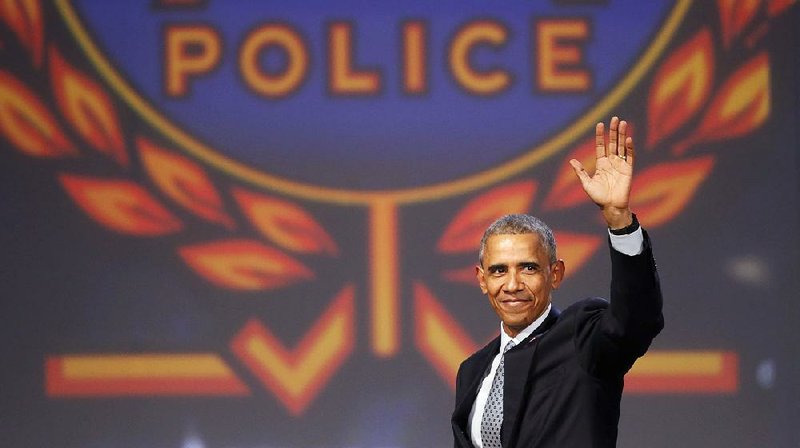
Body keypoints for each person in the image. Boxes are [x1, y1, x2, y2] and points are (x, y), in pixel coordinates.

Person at [451, 117, 664, 448]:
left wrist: (619, 221)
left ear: (556, 274)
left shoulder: (582, 338)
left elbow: (636, 320)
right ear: (481, 279)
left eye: (528, 268)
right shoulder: (472, 370)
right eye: (498, 271)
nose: (512, 284)